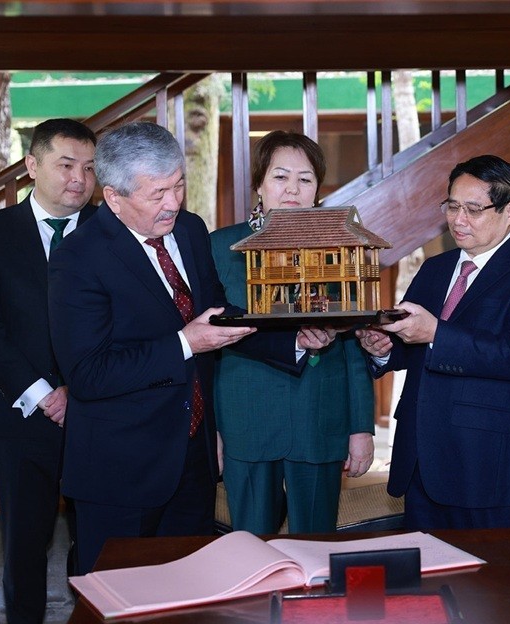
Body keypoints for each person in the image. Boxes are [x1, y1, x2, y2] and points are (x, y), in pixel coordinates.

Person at [47, 121, 335, 573]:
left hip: (192, 459)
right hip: (122, 471)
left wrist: (291, 340)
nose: (173, 204)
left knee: (190, 593)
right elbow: (89, 373)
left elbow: (217, 314)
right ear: (114, 197)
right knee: (118, 596)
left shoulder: (189, 230)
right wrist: (184, 342)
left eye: (179, 186)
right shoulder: (78, 259)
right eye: (157, 193)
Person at [356, 154, 510, 530]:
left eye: (473, 209)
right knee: (432, 582)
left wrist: (435, 331)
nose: (458, 219)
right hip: (422, 458)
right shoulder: (436, 269)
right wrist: (384, 350)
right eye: (452, 206)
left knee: (495, 586)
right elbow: (418, 345)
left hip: (491, 467)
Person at [0, 118, 97, 623]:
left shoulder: (111, 229)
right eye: (65, 165)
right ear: (32, 166)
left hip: (98, 411)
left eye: (88, 168)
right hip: (20, 416)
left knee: (97, 540)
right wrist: (43, 393)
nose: (79, 179)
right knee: (24, 543)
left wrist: (77, 390)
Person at [211, 130, 374, 535]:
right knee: (250, 547)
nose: (292, 190)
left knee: (316, 545)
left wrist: (361, 427)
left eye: (305, 180)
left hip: (320, 415)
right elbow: (206, 345)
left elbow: (354, 344)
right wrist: (211, 430)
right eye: (280, 177)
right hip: (244, 415)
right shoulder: (220, 248)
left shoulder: (341, 246)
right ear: (259, 184)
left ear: (317, 189)